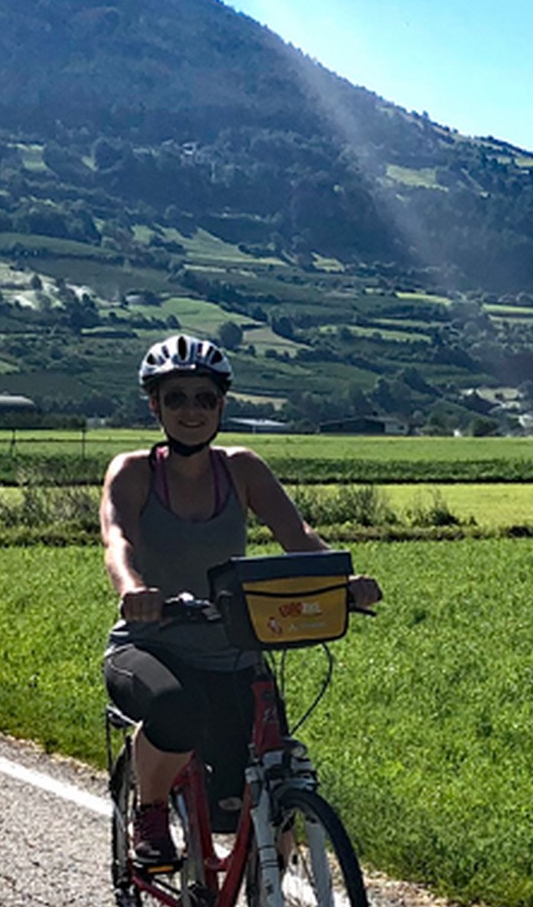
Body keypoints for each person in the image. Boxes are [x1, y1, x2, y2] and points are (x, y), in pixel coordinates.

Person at [102, 333, 379, 869]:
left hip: (232, 643)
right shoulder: (133, 471)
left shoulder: (243, 468)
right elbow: (119, 540)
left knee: (257, 779)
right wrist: (133, 591)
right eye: (176, 397)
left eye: (205, 398)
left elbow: (297, 535)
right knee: (175, 711)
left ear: (221, 406)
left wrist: (339, 584)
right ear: (155, 405)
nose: (192, 410)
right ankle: (152, 812)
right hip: (150, 644)